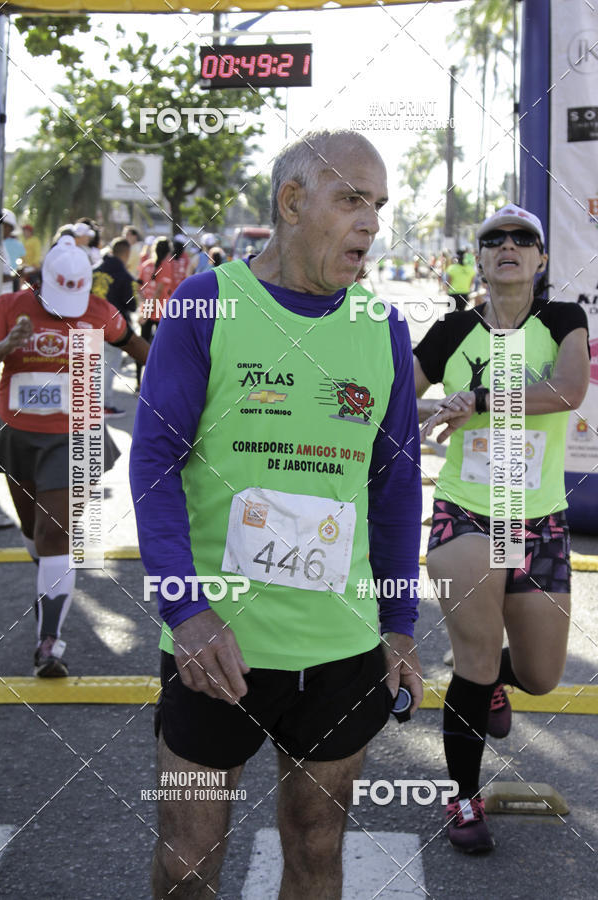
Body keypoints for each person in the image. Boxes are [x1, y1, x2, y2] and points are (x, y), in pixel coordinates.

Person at [130, 129, 424, 899]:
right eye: (351, 200)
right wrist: (186, 612)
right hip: (216, 648)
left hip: (340, 649)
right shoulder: (207, 303)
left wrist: (399, 626)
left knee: (318, 846)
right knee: (188, 856)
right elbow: (154, 462)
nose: (370, 223)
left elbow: (394, 486)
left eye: (379, 206)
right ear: (293, 203)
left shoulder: (383, 330)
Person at [413, 204, 590, 853]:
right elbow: (398, 394)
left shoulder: (564, 319)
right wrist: (430, 404)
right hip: (466, 511)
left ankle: (489, 690)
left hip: (538, 519)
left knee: (541, 675)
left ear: (541, 260)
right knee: (476, 661)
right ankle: (462, 797)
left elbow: (569, 390)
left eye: (524, 239)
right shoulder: (452, 329)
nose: (509, 246)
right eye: (495, 240)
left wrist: (479, 400)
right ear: (480, 260)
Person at [0, 236, 149, 677]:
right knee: (33, 531)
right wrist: (8, 345)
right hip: (18, 434)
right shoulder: (10, 306)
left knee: (55, 534)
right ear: (41, 282)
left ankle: (50, 644)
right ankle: (50, 569)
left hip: (75, 436)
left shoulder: (100, 311)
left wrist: (179, 381)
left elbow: (138, 347)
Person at [92, 237, 139, 417]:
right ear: (126, 254)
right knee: (108, 368)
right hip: (113, 328)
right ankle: (103, 405)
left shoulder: (94, 271)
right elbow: (132, 305)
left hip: (88, 324)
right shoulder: (125, 276)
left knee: (93, 368)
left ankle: (92, 405)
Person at [136, 236, 172, 390]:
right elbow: (158, 293)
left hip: (147, 313)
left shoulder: (146, 265)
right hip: (159, 313)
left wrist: (143, 306)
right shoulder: (166, 266)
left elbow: (138, 286)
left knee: (141, 346)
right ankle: (155, 384)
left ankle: (138, 382)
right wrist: (148, 310)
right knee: (160, 349)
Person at [0, 210, 26, 293]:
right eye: (9, 228)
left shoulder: (1, 245)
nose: (10, 232)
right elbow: (0, 277)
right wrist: (15, 275)